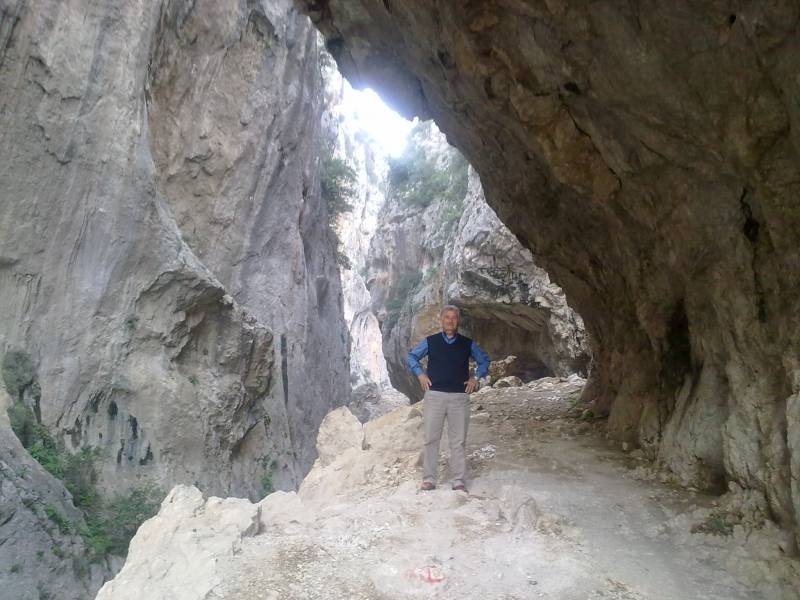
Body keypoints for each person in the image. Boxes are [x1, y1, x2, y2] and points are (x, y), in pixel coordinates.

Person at [407, 305, 490, 493]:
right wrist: (420, 375)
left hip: (459, 398)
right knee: (431, 439)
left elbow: (484, 360)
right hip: (434, 395)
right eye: (447, 317)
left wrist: (475, 378)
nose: (450, 321)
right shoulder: (431, 342)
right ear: (441, 320)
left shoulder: (467, 343)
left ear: (457, 321)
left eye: (454, 318)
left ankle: (458, 481)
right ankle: (429, 479)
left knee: (458, 441)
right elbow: (412, 357)